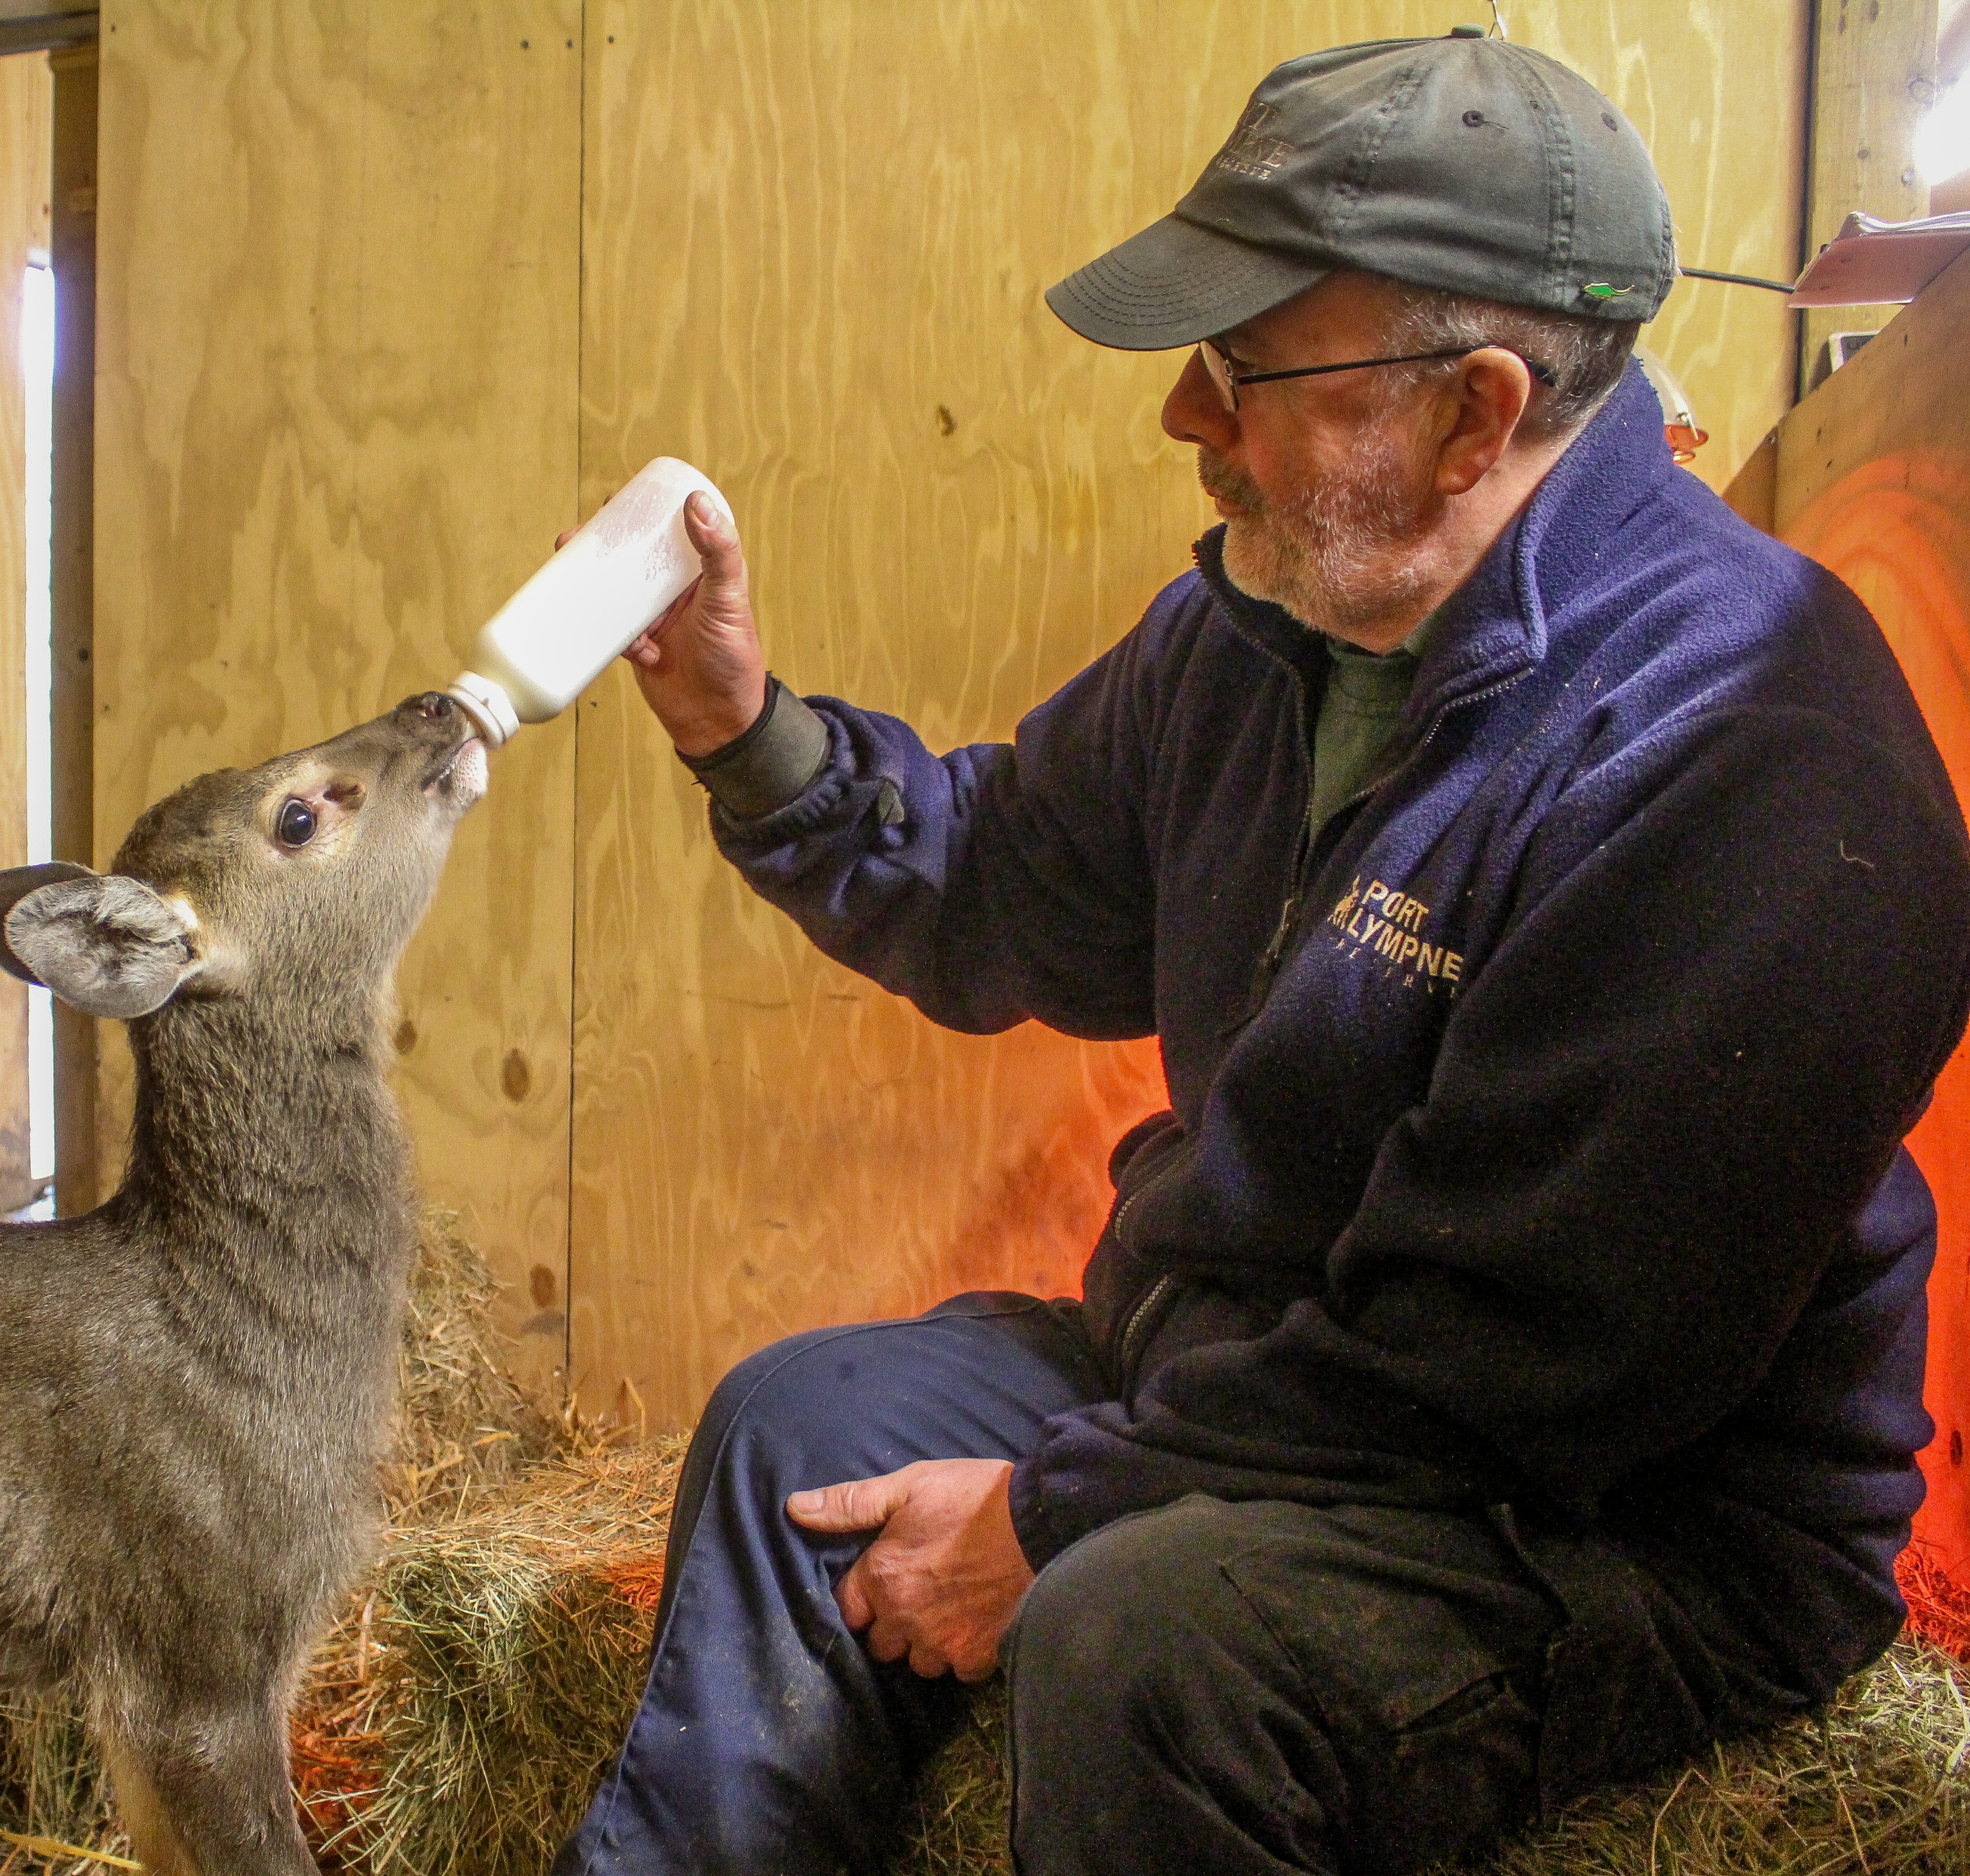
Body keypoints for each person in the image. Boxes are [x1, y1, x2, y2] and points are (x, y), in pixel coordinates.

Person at [551, 31, 1970, 1876]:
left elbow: (1514, 1372)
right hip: (1249, 1373)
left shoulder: (1749, 760)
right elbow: (1006, 886)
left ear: (1471, 411)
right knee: (796, 1429)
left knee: (1150, 1642)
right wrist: (753, 734)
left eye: (1242, 370)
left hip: (1605, 1509)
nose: (1185, 420)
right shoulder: (1258, 629)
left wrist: (1054, 1515)